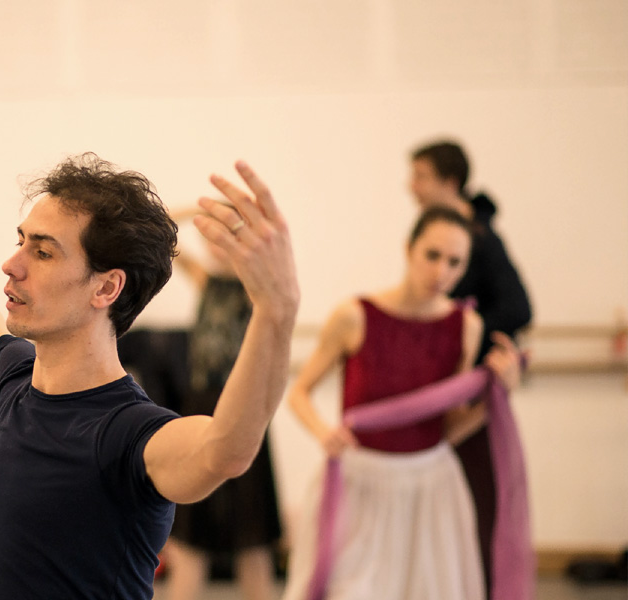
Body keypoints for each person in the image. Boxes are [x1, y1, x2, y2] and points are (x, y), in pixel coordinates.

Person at [0, 71, 300, 599]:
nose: (11, 264)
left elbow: (223, 450)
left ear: (106, 288)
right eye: (20, 241)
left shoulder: (130, 434)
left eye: (42, 252)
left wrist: (277, 310)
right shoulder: (13, 382)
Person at [282, 207, 522, 599]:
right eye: (433, 255)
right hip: (360, 484)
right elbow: (299, 391)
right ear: (409, 249)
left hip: (432, 487)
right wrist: (323, 433)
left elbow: (447, 428)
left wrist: (499, 397)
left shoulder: (466, 327)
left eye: (454, 262)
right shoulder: (354, 316)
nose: (442, 271)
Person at [409, 139, 532, 595]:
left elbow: (519, 307)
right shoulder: (461, 233)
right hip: (444, 391)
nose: (411, 186)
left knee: (479, 500)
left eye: (420, 175)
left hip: (472, 395)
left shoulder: (481, 236)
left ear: (449, 182)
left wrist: (464, 331)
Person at [164, 206, 282, 600]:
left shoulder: (256, 289)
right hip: (201, 405)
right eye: (211, 238)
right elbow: (163, 229)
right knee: (192, 531)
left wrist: (240, 228)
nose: (215, 246)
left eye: (225, 237)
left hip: (243, 408)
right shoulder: (205, 280)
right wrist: (197, 210)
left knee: (252, 533)